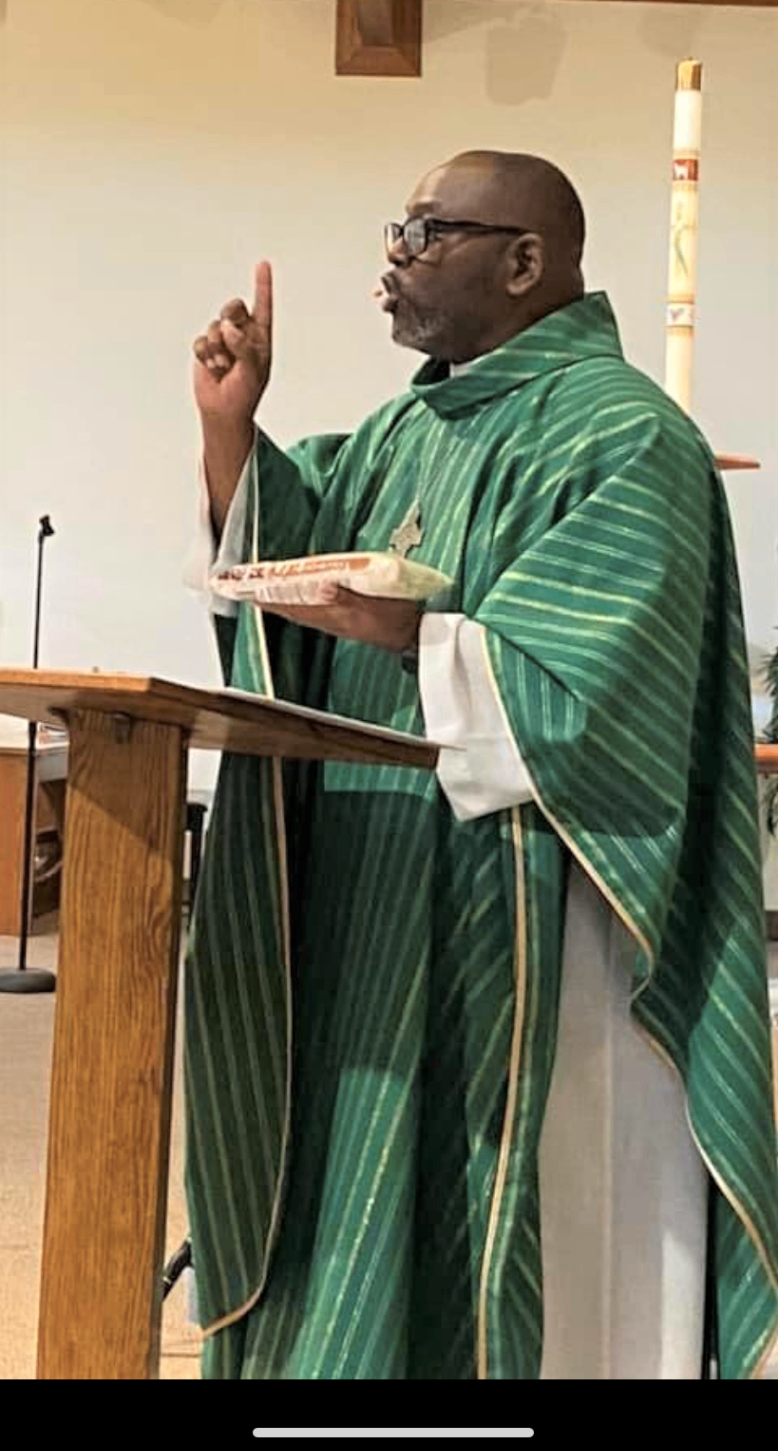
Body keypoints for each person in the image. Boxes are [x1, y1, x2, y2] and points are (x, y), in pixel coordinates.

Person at [184, 151, 778, 1380]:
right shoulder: (407, 428)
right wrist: (234, 434)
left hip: (545, 924)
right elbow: (294, 561)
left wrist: (418, 631)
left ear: (525, 261)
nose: (391, 258)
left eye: (425, 231)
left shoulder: (630, 437)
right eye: (396, 228)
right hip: (382, 885)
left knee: (552, 1244)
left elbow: (610, 698)